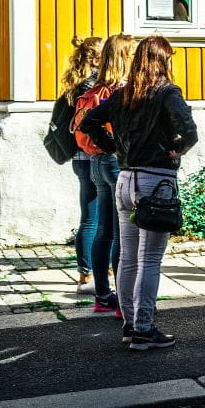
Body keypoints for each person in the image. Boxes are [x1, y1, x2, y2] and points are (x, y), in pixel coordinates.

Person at [79, 35, 198, 350]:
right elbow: (189, 129)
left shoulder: (123, 94)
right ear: (163, 60)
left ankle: (131, 326)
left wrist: (114, 148)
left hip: (126, 180)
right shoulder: (167, 92)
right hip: (156, 181)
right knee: (149, 259)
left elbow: (88, 123)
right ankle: (144, 329)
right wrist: (178, 148)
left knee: (129, 257)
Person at [79, 34, 138, 315]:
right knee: (122, 233)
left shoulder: (96, 87)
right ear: (124, 58)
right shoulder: (120, 91)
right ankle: (123, 300)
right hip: (115, 164)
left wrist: (104, 149)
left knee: (104, 231)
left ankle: (102, 295)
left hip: (97, 163)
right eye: (132, 55)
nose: (136, 59)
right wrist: (115, 148)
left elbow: (86, 126)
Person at [57, 36, 104, 293]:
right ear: (97, 59)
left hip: (78, 157)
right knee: (101, 219)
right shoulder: (96, 86)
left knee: (88, 217)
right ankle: (100, 270)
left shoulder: (73, 85)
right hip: (96, 154)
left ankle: (85, 274)